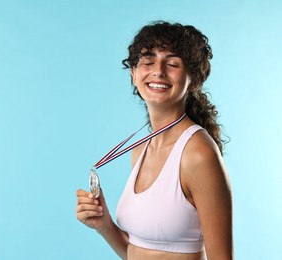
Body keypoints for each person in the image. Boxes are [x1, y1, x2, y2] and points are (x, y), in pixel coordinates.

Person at [76, 21, 233, 260]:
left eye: (172, 63)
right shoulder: (139, 150)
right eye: (148, 61)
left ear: (194, 79)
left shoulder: (198, 153)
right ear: (134, 74)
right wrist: (104, 225)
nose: (158, 71)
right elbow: (136, 252)